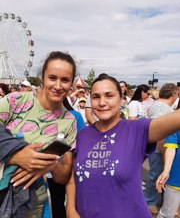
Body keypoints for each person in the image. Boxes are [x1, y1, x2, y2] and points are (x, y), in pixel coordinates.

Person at [66, 73, 180, 218]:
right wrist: (70, 209)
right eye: (96, 97)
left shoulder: (138, 130)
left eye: (109, 95)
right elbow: (72, 176)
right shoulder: (83, 135)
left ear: (121, 99)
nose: (102, 102)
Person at [0, 51, 77, 217]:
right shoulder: (15, 101)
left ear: (71, 83)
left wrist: (47, 165)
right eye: (52, 77)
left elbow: (62, 177)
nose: (58, 85)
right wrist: (15, 156)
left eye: (65, 80)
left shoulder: (69, 121)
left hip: (32, 202)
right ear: (42, 77)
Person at [144, 83, 179, 215]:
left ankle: (154, 201)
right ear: (173, 94)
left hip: (161, 149)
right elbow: (159, 133)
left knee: (156, 176)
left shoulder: (159, 105)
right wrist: (164, 154)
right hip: (160, 149)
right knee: (156, 176)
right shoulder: (162, 108)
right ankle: (150, 202)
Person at [156, 130, 180, 218]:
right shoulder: (176, 122)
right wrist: (166, 171)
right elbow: (170, 148)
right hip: (176, 177)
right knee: (167, 213)